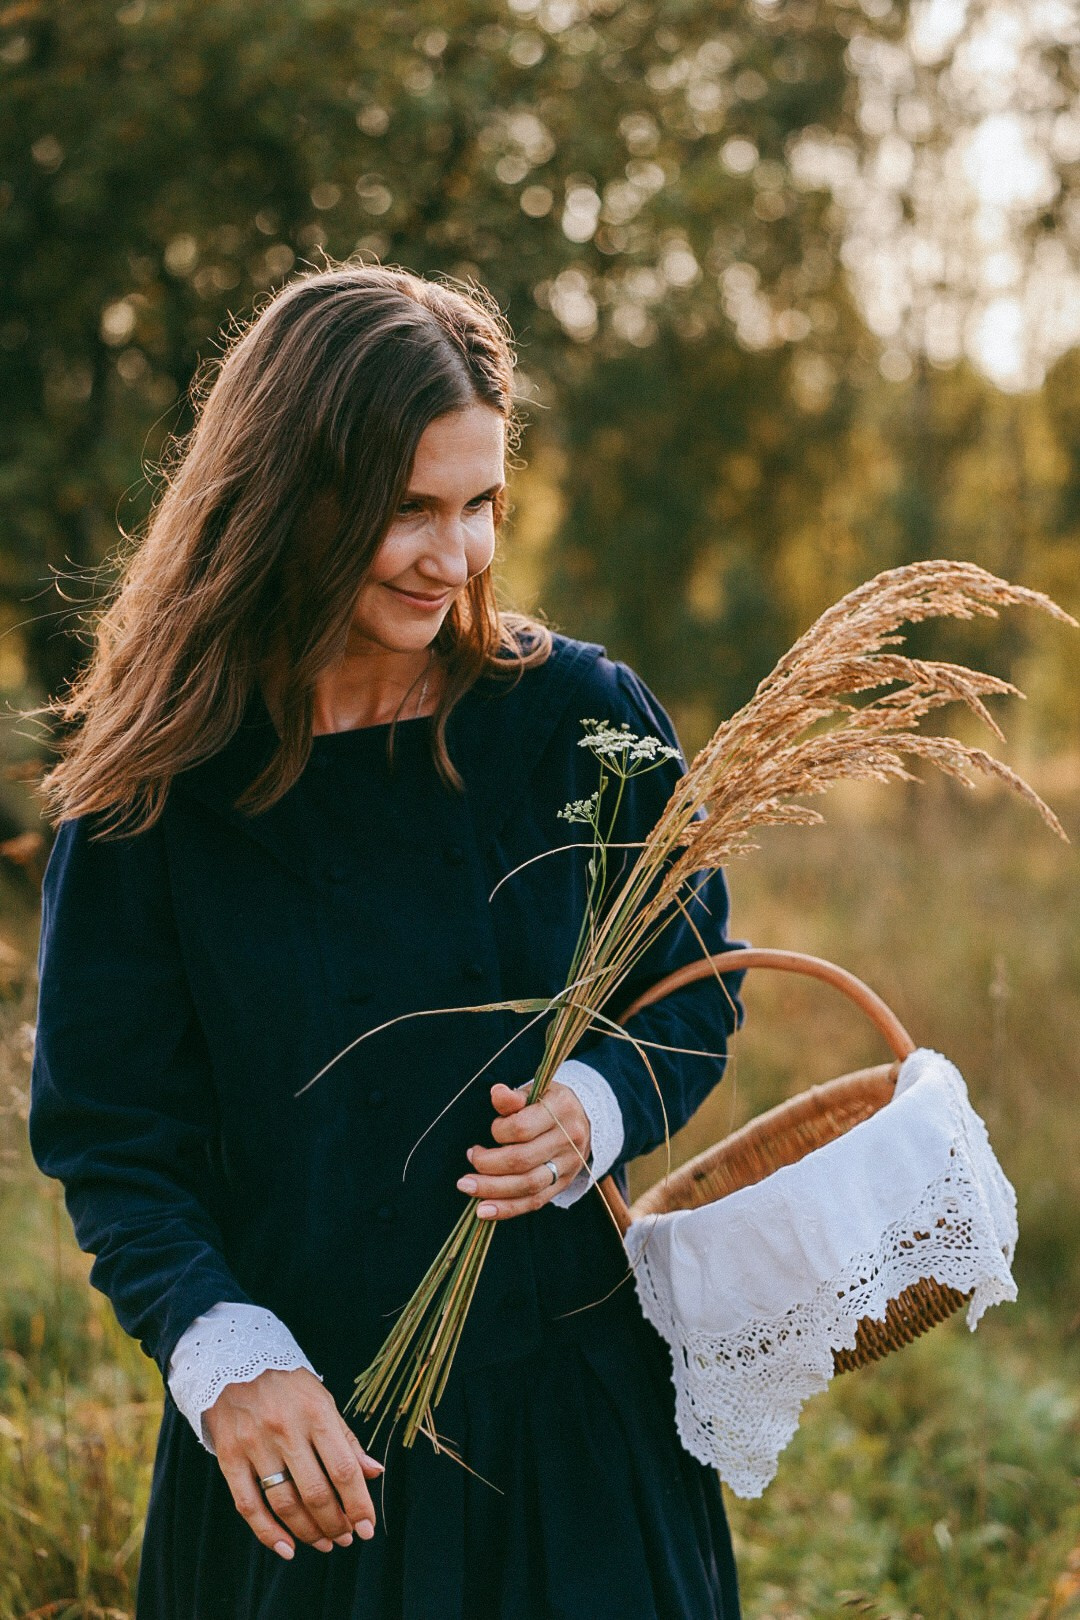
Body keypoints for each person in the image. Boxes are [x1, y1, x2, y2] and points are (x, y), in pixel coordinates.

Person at [28, 263, 748, 1619]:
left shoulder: (579, 715)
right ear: (286, 498)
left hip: (578, 1443)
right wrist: (226, 1358)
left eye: (480, 504)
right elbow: (113, 1143)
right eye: (405, 510)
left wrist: (592, 1108)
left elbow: (692, 992)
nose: (457, 555)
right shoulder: (157, 792)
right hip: (310, 1467)